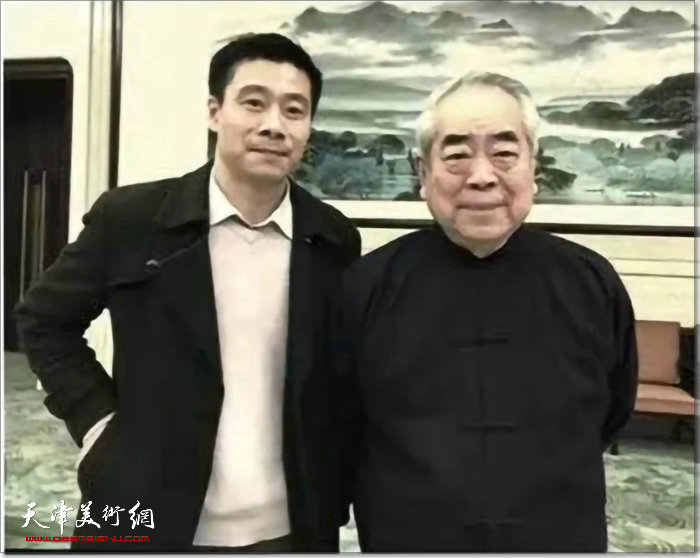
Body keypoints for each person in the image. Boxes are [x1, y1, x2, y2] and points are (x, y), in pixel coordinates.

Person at [15, 33, 360, 552]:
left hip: (290, 528)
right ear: (215, 112)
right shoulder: (133, 220)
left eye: (295, 110)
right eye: (254, 102)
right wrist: (96, 423)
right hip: (144, 512)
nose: (274, 124)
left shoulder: (331, 238)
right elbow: (44, 320)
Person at [334, 72, 637, 552]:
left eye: (504, 153)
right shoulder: (366, 285)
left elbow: (613, 411)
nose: (481, 176)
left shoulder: (590, 281)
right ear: (423, 172)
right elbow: (341, 425)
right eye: (456, 155)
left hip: (560, 537)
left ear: (533, 165)